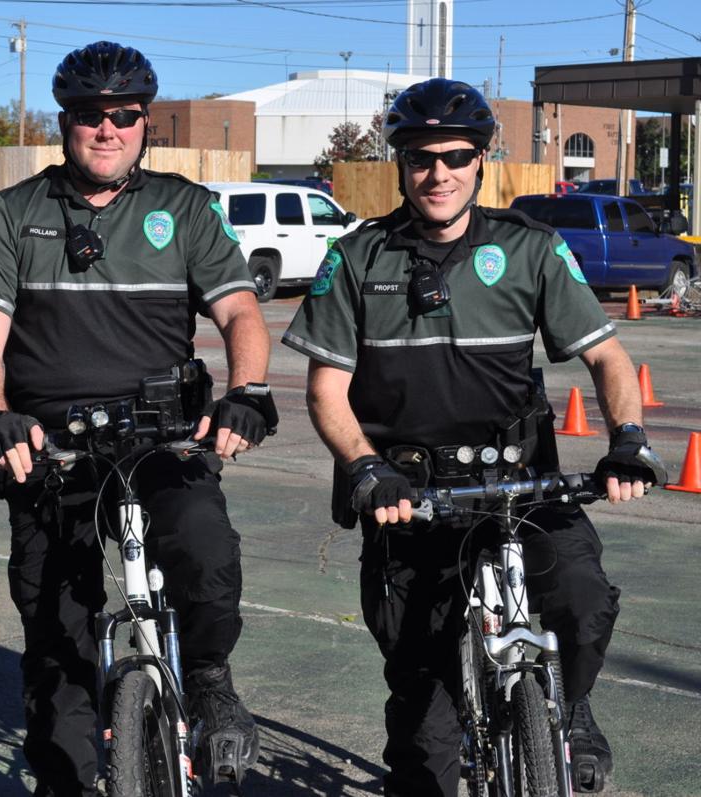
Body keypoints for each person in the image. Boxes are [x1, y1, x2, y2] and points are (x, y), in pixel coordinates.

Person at [282, 77, 666, 796]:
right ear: (400, 162)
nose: (439, 173)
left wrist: (628, 437)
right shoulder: (358, 257)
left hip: (522, 486)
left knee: (581, 604)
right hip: (409, 498)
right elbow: (325, 391)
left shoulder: (530, 248)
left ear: (479, 161)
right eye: (422, 157)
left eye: (456, 157)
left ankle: (570, 706)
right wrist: (366, 467)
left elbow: (608, 357)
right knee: (423, 740)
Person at [0, 41, 275, 796]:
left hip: (162, 438)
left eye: (124, 115)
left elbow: (240, 312)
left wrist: (247, 390)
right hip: (48, 449)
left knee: (203, 544)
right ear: (66, 122)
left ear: (145, 122)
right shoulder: (16, 213)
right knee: (55, 632)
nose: (107, 129)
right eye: (90, 115)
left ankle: (212, 676)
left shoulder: (183, 207)